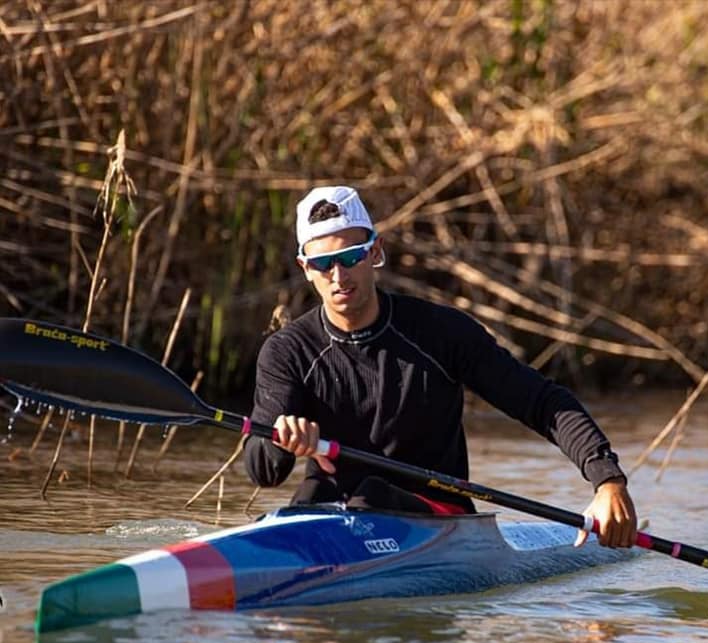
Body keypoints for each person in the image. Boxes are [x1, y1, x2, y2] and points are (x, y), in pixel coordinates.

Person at [243, 185, 638, 548]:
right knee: (305, 503)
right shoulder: (287, 351)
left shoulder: (440, 333)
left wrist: (608, 480)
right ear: (304, 268)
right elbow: (265, 473)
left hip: (437, 517)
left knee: (371, 494)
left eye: (350, 257)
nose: (338, 276)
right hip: (328, 514)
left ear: (375, 251)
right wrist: (279, 443)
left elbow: (543, 402)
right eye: (324, 263)